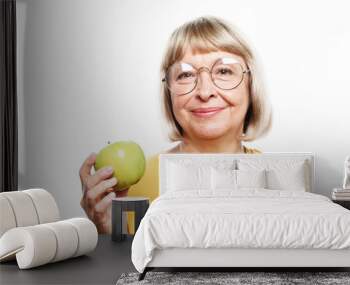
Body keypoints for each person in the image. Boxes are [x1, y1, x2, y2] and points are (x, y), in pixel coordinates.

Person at [79, 16, 272, 234]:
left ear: (251, 84)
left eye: (224, 71)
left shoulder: (276, 181)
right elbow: (127, 266)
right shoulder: (133, 190)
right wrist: (108, 231)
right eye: (186, 74)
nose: (205, 92)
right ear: (169, 92)